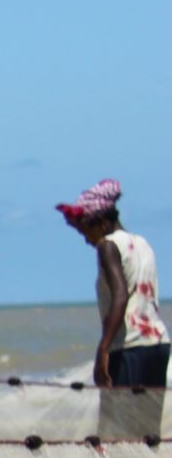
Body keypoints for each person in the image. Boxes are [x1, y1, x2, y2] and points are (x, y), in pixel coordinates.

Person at [59, 179, 167, 440]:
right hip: (158, 345)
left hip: (128, 347)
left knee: (117, 435)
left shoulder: (108, 246)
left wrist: (103, 349)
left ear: (102, 222)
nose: (86, 239)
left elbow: (120, 295)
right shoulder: (142, 243)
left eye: (86, 231)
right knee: (146, 434)